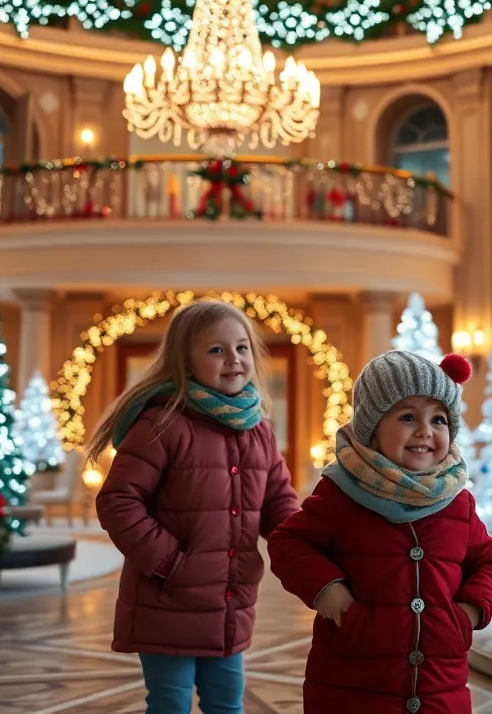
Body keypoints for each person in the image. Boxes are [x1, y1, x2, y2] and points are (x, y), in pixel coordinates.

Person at [268, 350, 492, 714]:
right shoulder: (341, 492)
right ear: (372, 427)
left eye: (439, 419)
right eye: (408, 417)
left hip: (438, 689)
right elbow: (288, 542)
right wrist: (327, 589)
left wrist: (469, 611)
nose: (425, 430)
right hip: (354, 687)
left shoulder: (457, 502)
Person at [92, 299, 300, 714]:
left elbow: (279, 501)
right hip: (167, 602)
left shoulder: (259, 429)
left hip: (229, 602)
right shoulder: (164, 423)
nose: (233, 359)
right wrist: (171, 562)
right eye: (216, 350)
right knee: (170, 704)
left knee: (227, 704)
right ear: (185, 361)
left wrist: (304, 545)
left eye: (242, 347)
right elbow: (118, 501)